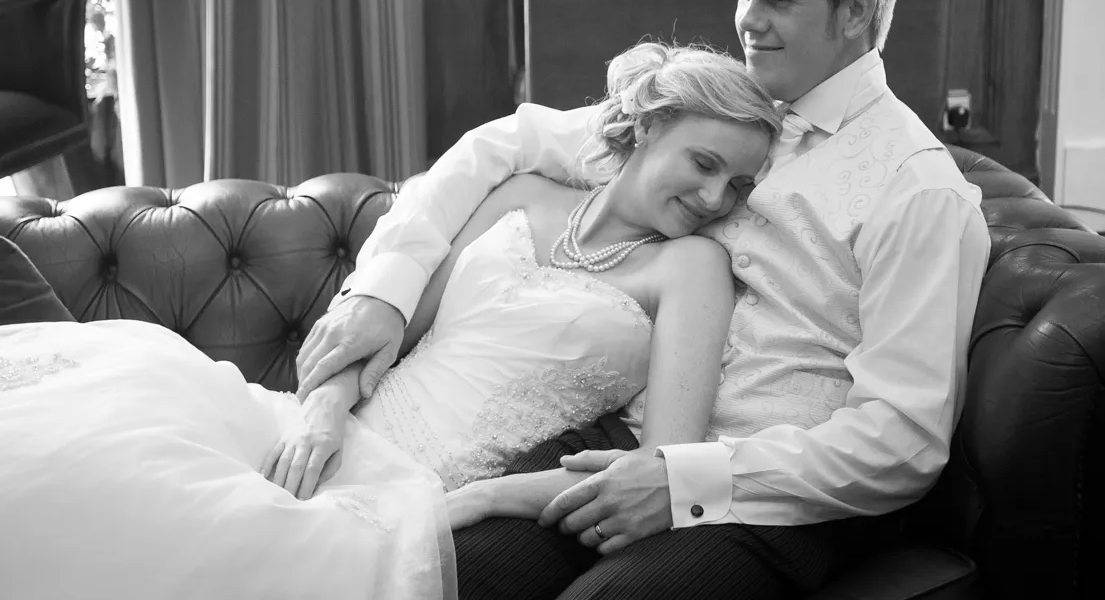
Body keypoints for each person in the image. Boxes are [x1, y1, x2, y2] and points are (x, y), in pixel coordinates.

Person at [296, 0, 992, 599]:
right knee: (421, 573)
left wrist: (684, 477)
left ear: (856, 12)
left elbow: (902, 441)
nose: (749, 19)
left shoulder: (917, 191)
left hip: (774, 491)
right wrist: (382, 292)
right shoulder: (724, 113)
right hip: (620, 441)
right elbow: (501, 147)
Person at [0, 42, 779, 600]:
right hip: (326, 437)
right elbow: (396, 327)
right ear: (645, 130)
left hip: (425, 498)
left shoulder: (691, 267)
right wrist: (323, 408)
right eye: (703, 164)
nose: (716, 200)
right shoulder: (524, 195)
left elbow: (661, 463)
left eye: (738, 185)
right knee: (97, 474)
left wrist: (481, 501)